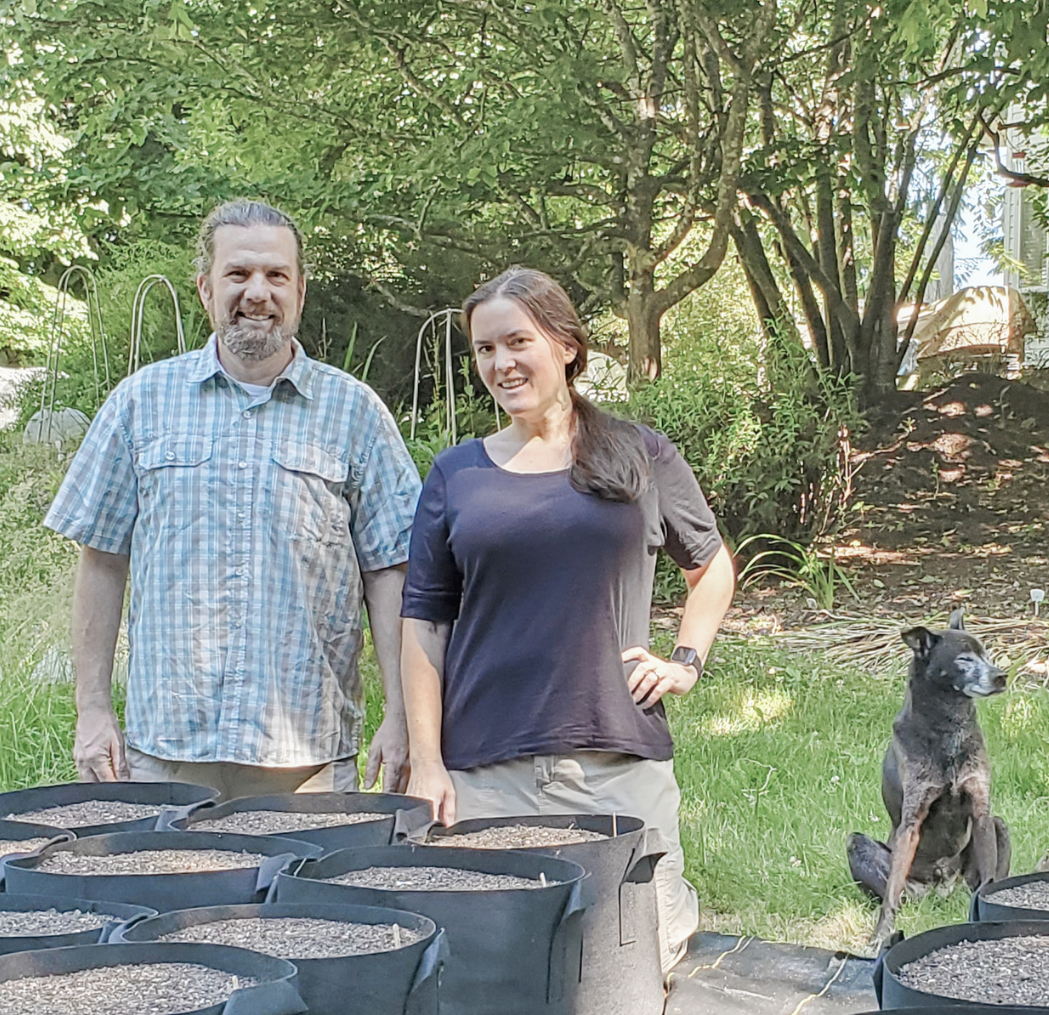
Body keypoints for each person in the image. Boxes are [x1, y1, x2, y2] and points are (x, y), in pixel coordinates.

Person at [400, 267, 734, 971]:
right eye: (484, 349)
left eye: (517, 341)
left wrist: (686, 662)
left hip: (616, 764)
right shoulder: (456, 474)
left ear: (566, 345)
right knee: (497, 972)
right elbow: (424, 623)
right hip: (487, 773)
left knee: (641, 965)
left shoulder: (639, 454)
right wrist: (426, 762)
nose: (500, 363)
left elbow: (710, 567)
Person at [45, 200, 421, 799]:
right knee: (165, 895)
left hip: (307, 760)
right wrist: (93, 712)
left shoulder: (356, 414)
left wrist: (403, 723)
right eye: (238, 274)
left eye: (275, 276)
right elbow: (101, 560)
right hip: (165, 753)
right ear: (204, 289)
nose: (257, 293)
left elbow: (391, 574)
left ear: (300, 290)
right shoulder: (140, 404)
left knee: (307, 898)